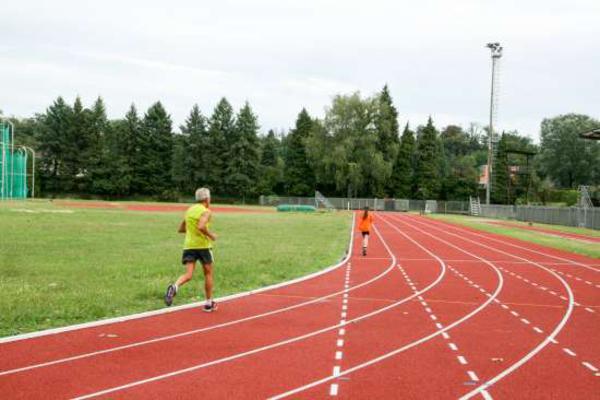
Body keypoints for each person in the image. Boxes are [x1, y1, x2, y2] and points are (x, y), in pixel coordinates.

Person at [164, 187, 218, 312]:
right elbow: (201, 226)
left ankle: (174, 286)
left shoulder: (189, 210)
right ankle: (209, 303)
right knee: (208, 274)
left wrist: (192, 230)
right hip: (203, 246)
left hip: (189, 246)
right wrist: (211, 235)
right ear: (207, 199)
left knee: (188, 274)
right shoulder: (206, 211)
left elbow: (181, 229)